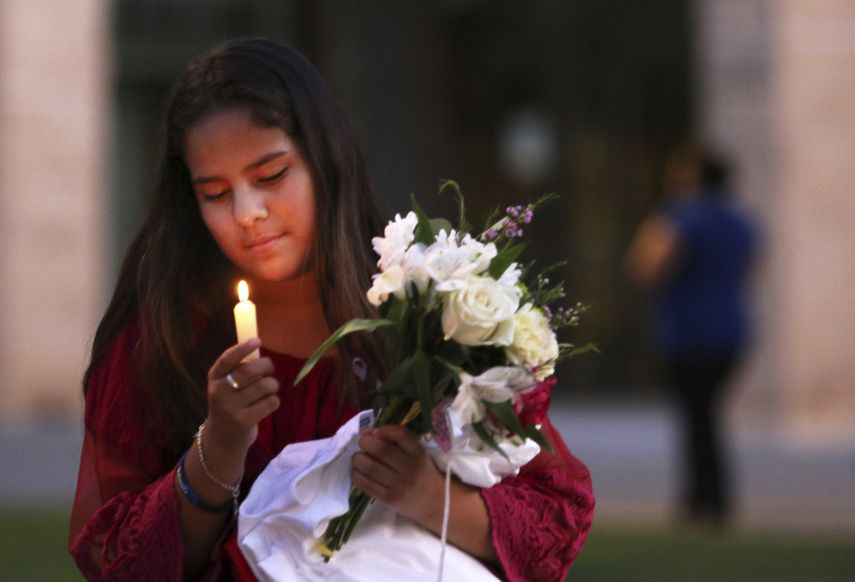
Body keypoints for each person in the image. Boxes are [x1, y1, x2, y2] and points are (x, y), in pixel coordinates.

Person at [68, 38, 594, 581]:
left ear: (325, 159)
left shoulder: (421, 309)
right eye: (215, 192)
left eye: (271, 176)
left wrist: (430, 497)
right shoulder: (167, 335)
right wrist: (217, 451)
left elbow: (553, 519)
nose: (247, 213)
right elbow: (118, 564)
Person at [625, 143, 757, 528]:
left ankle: (704, 500)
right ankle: (709, 497)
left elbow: (643, 265)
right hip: (731, 330)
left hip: (690, 333)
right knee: (706, 415)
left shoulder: (680, 218)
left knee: (697, 417)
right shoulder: (741, 221)